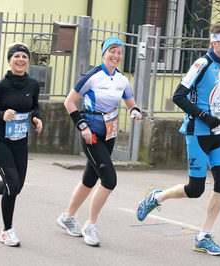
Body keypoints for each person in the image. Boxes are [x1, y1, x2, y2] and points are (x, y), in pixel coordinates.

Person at [136, 23, 220, 256]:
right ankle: (157, 197)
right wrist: (204, 117)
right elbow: (178, 96)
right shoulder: (201, 64)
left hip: (218, 134)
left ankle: (203, 237)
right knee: (195, 189)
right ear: (215, 42)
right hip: (197, 133)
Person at [57, 36, 142, 246]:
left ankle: (67, 217)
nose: (115, 56)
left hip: (109, 134)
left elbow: (131, 104)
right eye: (111, 51)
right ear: (104, 53)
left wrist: (135, 112)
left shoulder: (122, 79)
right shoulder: (92, 77)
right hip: (91, 133)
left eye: (119, 52)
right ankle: (91, 225)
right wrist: (82, 126)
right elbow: (69, 102)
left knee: (89, 179)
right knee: (109, 180)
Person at [0, 43, 43, 247]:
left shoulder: (33, 84)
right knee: (12, 184)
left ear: (28, 61)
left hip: (20, 139)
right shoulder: (2, 85)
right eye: (17, 56)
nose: (21, 60)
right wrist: (1, 115)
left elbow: (35, 106)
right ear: (10, 60)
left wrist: (37, 119)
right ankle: (7, 231)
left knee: (16, 186)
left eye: (24, 56)